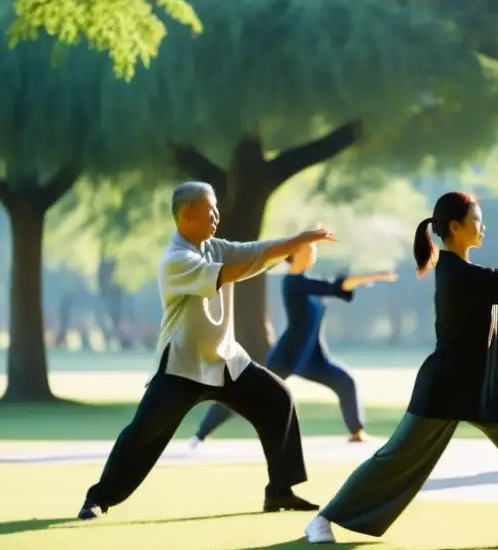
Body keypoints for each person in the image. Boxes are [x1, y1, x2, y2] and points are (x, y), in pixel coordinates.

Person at [304, 191, 498, 545]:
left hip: (484, 388)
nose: (482, 226)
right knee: (396, 458)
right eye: (476, 220)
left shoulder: (466, 272)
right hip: (445, 387)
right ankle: (324, 518)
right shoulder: (457, 272)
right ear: (455, 227)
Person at [76, 181, 337, 521]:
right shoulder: (176, 260)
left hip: (226, 359)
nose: (216, 216)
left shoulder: (214, 247)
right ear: (187, 216)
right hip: (182, 366)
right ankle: (97, 499)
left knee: (278, 398)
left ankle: (280, 491)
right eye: (210, 209)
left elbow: (253, 252)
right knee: (144, 434)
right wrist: (287, 248)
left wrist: (294, 243)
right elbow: (232, 271)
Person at [190, 242, 397, 446]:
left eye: (313, 251)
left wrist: (371, 277)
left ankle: (356, 432)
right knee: (247, 392)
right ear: (294, 255)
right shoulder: (293, 282)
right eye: (308, 249)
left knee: (345, 382)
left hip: (312, 357)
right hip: (288, 355)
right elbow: (337, 285)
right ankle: (200, 434)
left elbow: (337, 286)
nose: (312, 253)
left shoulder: (308, 282)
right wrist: (376, 275)